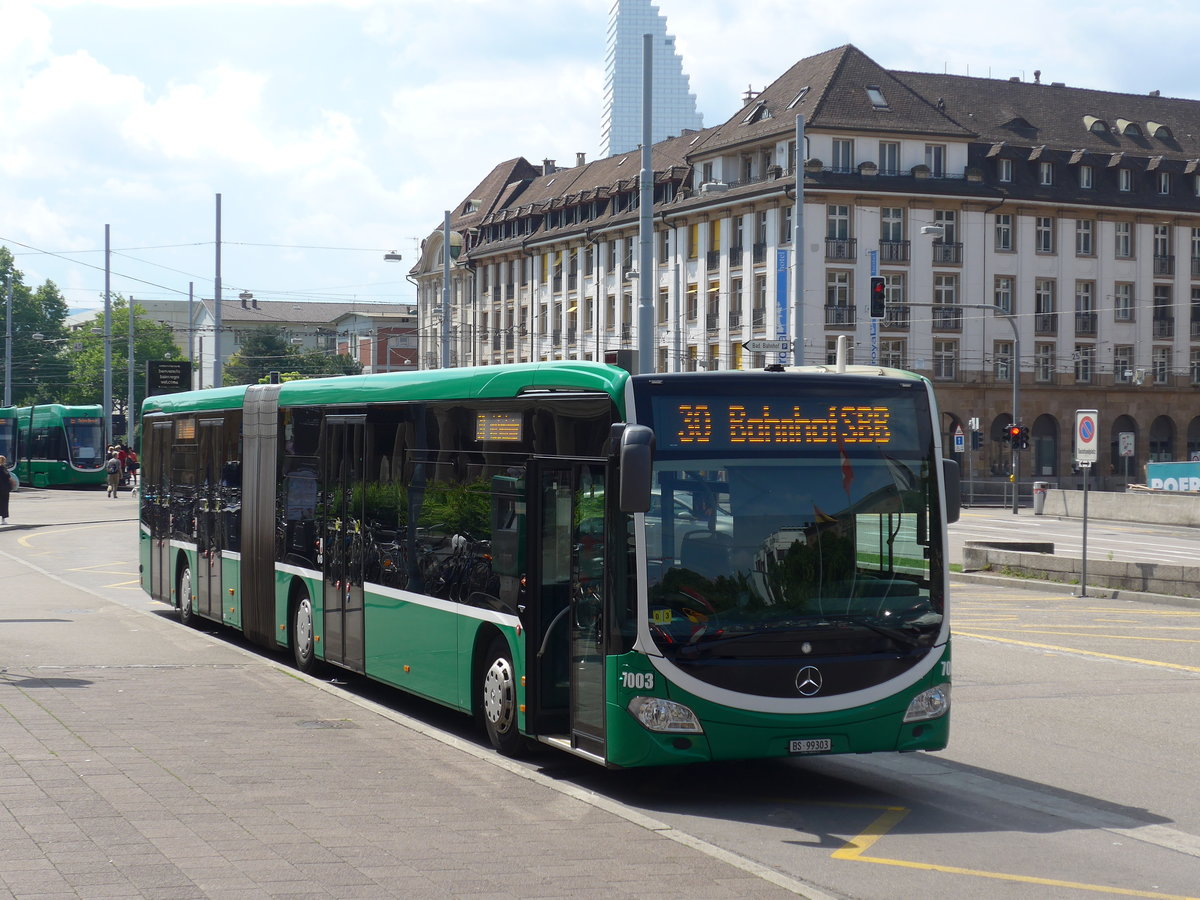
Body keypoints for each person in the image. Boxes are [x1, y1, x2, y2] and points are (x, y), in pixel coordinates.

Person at [0, 454, 12, 524]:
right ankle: (3, 520)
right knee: (4, 503)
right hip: (4, 488)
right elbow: (8, 477)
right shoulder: (3, 468)